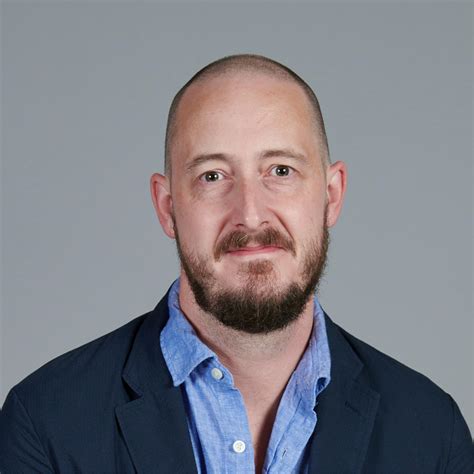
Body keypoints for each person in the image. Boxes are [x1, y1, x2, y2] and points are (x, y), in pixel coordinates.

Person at [0, 54, 472, 473]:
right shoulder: (44, 423)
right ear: (167, 207)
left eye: (281, 171)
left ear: (331, 195)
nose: (250, 213)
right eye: (212, 176)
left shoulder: (433, 434)